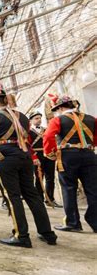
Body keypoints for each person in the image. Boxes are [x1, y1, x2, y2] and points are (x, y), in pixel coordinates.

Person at [0, 84, 57, 248]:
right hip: (25, 157)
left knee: (13, 196)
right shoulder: (22, 117)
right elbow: (27, 139)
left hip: (6, 158)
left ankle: (21, 235)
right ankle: (47, 233)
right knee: (32, 195)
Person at [43, 94, 97, 233]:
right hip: (89, 155)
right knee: (93, 189)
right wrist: (90, 146)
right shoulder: (91, 118)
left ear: (60, 107)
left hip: (68, 156)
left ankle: (73, 223)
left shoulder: (58, 120)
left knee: (69, 188)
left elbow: (48, 136)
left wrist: (50, 153)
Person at [28, 109, 62, 208]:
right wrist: (33, 157)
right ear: (31, 120)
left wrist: (54, 153)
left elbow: (52, 141)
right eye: (36, 118)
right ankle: (39, 200)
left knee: (50, 178)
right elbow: (28, 146)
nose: (39, 120)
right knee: (39, 178)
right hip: (37, 155)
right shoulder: (28, 132)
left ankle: (50, 199)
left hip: (48, 155)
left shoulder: (46, 129)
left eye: (40, 118)